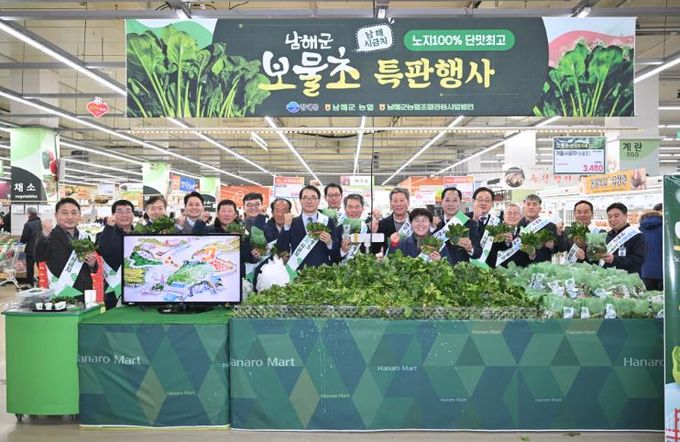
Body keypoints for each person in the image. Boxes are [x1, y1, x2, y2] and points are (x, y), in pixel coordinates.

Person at [34, 198, 98, 299]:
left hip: (85, 290)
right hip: (61, 291)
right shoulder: (49, 235)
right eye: (64, 213)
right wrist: (45, 234)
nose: (70, 217)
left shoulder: (85, 236)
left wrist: (92, 264)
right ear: (56, 215)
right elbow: (39, 256)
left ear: (79, 215)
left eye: (74, 213)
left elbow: (93, 268)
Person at [277, 185, 337, 269]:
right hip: (298, 272)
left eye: (313, 198)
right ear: (300, 201)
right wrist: (286, 227)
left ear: (319, 200)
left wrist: (329, 243)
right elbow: (281, 249)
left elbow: (336, 254)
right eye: (305, 198)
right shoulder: (292, 223)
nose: (309, 201)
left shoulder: (328, 221)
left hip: (322, 271)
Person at [96, 199, 134, 309]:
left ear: (133, 215)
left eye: (128, 211)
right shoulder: (103, 235)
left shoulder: (142, 234)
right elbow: (103, 250)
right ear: (113, 215)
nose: (124, 215)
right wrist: (109, 227)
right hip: (113, 290)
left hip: (138, 290)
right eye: (120, 211)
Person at [433, 187, 482, 265]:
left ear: (460, 202)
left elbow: (478, 253)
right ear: (442, 202)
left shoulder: (470, 223)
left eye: (455, 200)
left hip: (461, 270)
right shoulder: (435, 223)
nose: (451, 204)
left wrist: (470, 248)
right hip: (438, 269)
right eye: (447, 200)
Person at [518, 194, 567, 263]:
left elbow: (562, 248)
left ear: (540, 209)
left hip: (543, 266)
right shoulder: (517, 225)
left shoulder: (550, 226)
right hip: (521, 266)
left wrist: (553, 246)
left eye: (534, 204)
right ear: (524, 208)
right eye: (528, 204)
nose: (531, 207)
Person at [601, 202, 646, 276]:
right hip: (608, 278)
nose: (612, 219)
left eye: (616, 216)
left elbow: (638, 260)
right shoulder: (607, 235)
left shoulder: (637, 235)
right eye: (610, 217)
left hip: (628, 279)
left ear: (626, 216)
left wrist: (614, 259)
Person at [491, 203, 533, 268]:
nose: (512, 216)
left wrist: (532, 254)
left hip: (520, 272)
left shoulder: (526, 233)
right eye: (509, 213)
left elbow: (530, 258)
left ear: (521, 216)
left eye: (515, 213)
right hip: (498, 272)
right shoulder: (494, 231)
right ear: (504, 216)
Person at [370, 187, 411, 255]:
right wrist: (374, 233)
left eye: (402, 200)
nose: (398, 204)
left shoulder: (417, 223)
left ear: (408, 202)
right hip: (390, 261)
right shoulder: (382, 224)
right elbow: (374, 250)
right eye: (395, 201)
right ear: (390, 204)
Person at [337, 194, 370, 262]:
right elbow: (332, 257)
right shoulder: (337, 228)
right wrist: (343, 251)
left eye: (357, 207)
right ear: (345, 209)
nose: (354, 210)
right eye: (350, 207)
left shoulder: (366, 228)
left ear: (362, 208)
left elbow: (372, 251)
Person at [640, 209, 662, 290]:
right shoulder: (665, 229)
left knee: (649, 296)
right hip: (663, 271)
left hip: (645, 270)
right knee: (664, 296)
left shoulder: (639, 230)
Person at [19, 207, 41, 288]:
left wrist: (22, 241)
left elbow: (24, 238)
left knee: (30, 267)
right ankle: (43, 282)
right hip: (41, 249)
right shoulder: (41, 223)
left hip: (30, 250)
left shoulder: (28, 224)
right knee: (41, 266)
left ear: (29, 214)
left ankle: (30, 284)